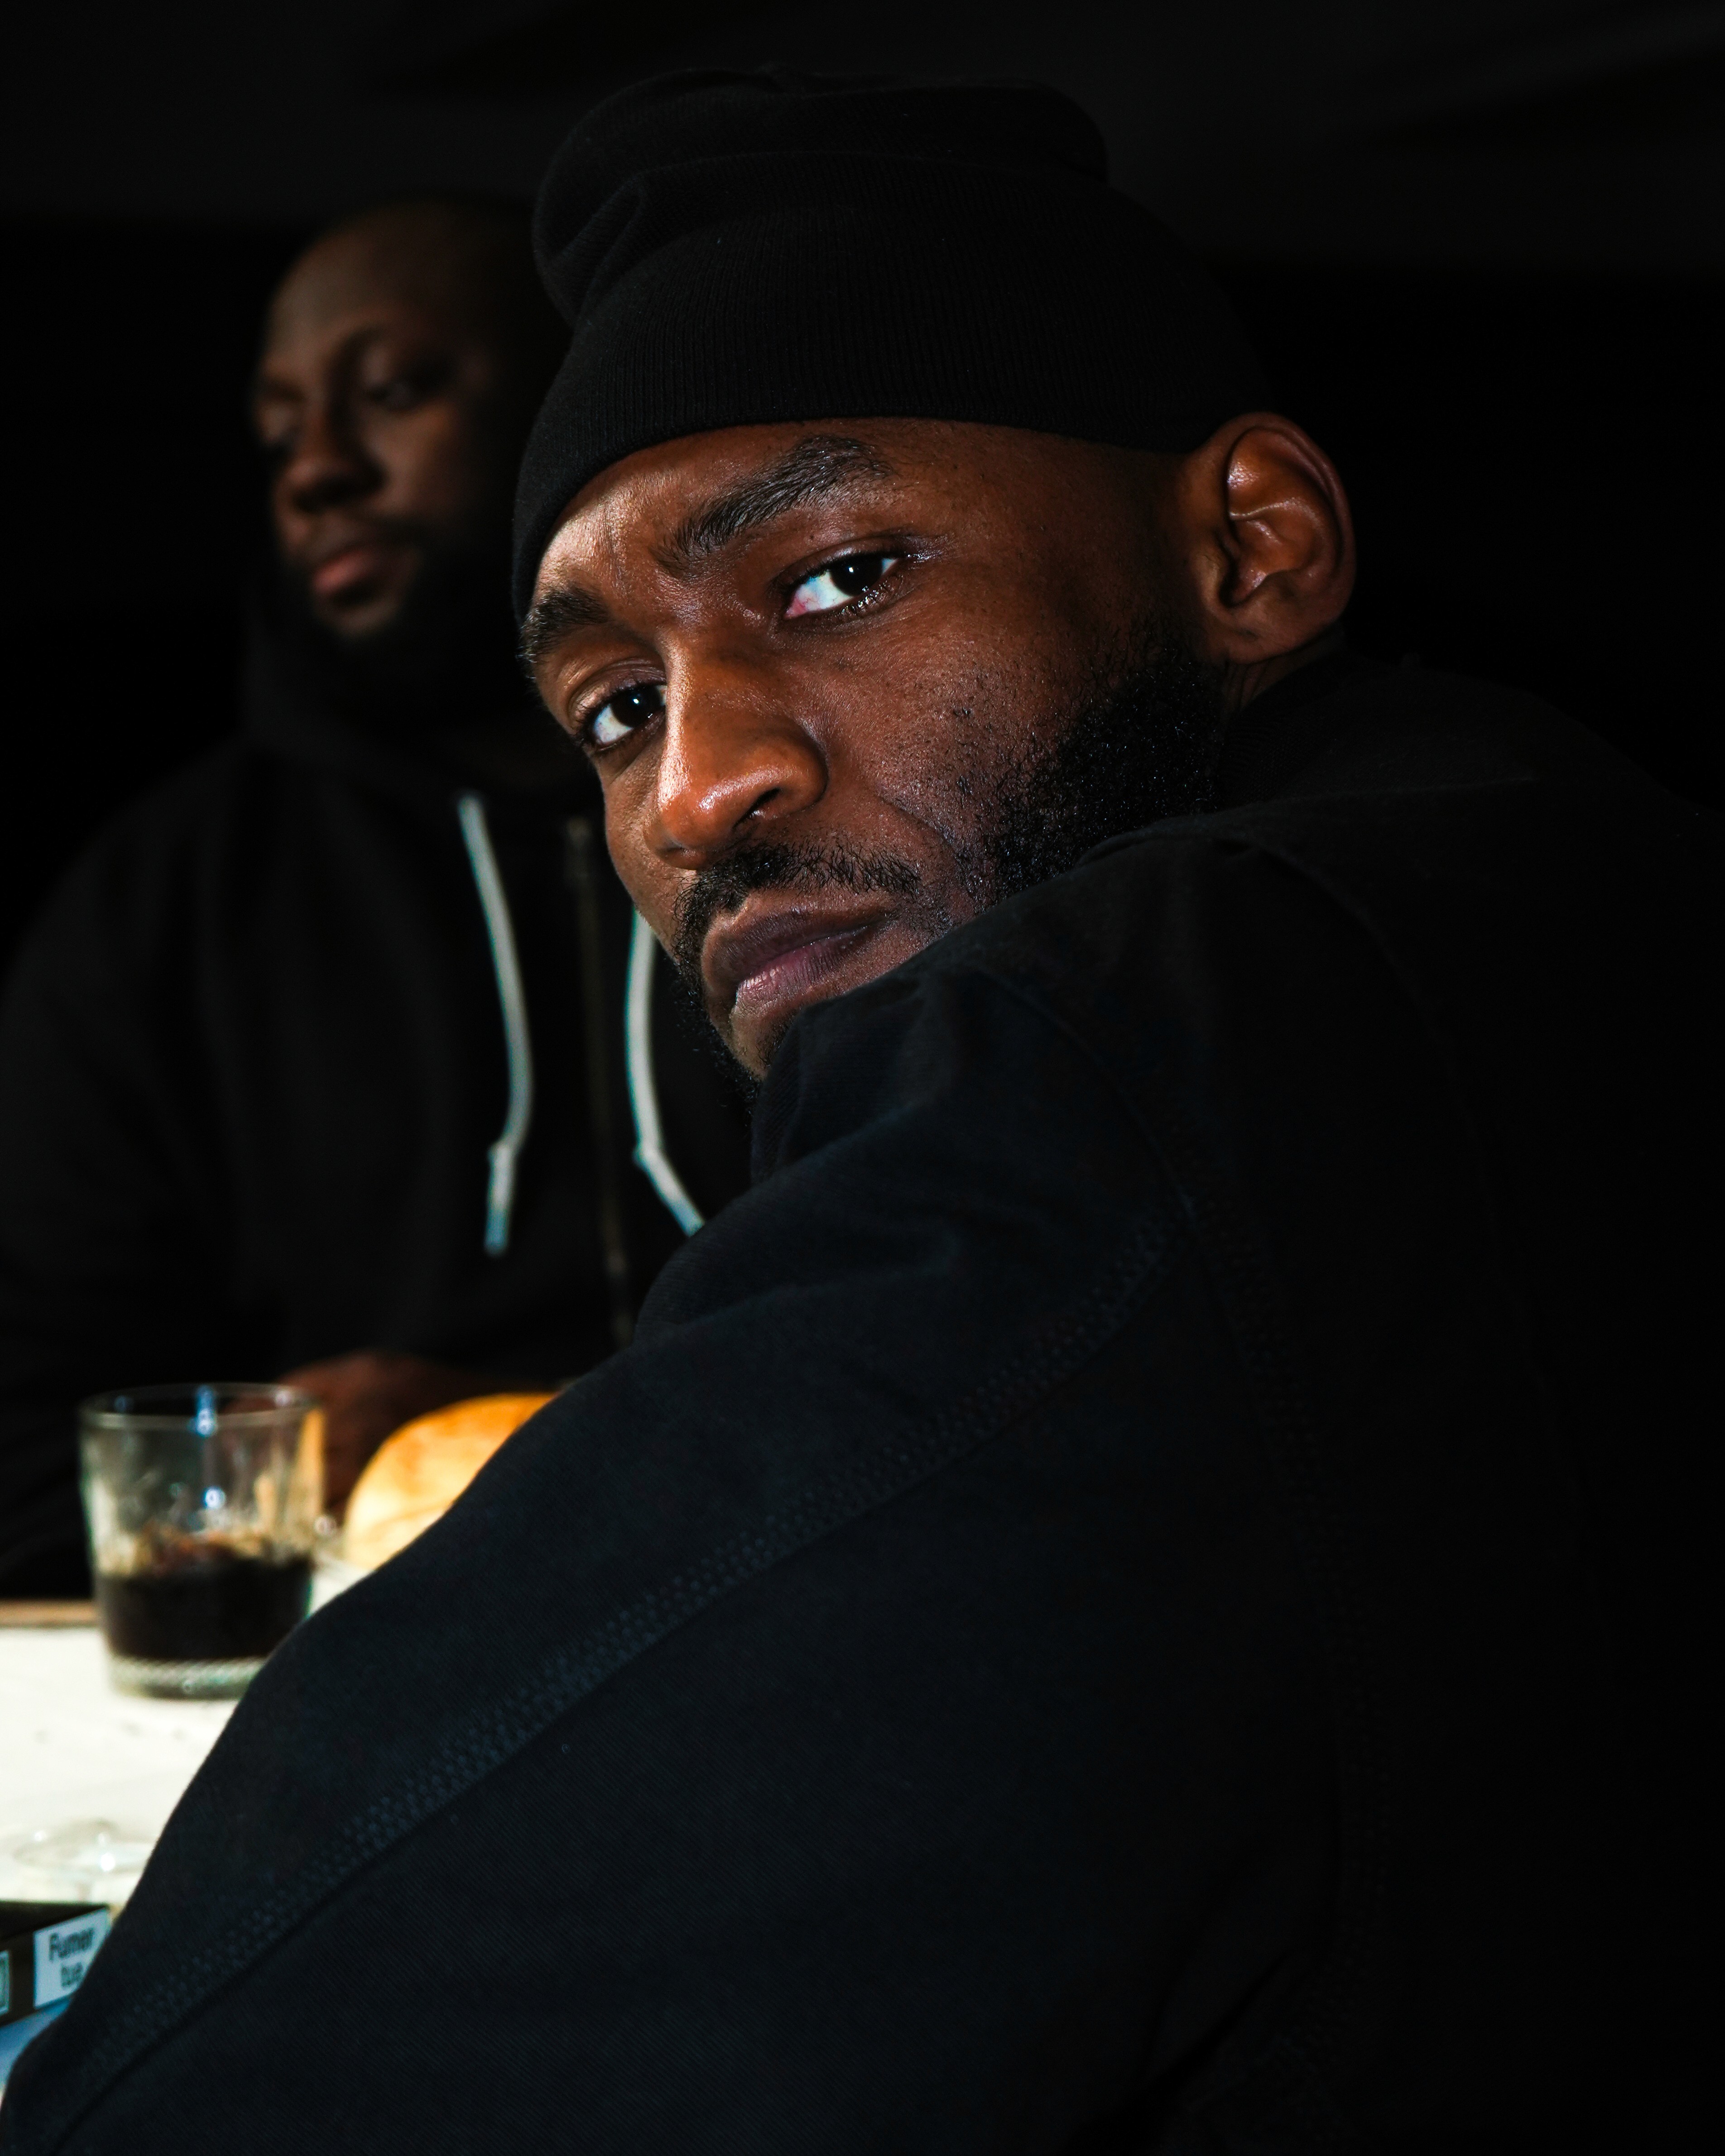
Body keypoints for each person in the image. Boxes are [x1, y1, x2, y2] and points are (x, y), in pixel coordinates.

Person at [5, 73, 1712, 2152]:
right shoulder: (1533, 862)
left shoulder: (1133, 1040)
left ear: (1248, 548)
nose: (692, 792)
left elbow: (269, 2063)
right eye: (614, 709)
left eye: (834, 581)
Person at [0, 197, 750, 1594]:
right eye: (280, 433)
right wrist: (280, 1472)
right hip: (372, 1653)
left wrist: (533, 1431)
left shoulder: (779, 801)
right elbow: (43, 1435)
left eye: (395, 391)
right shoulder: (163, 904)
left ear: (572, 399)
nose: (320, 472)